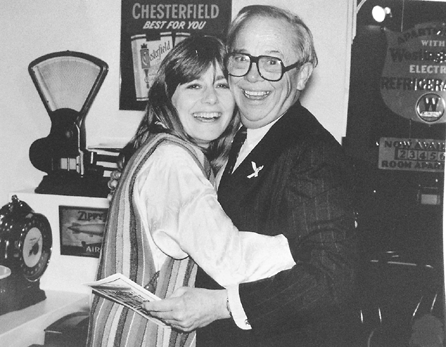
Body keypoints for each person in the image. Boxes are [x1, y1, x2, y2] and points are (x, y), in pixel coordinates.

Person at [144, 5, 359, 347]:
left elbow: (331, 277)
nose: (252, 76)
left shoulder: (311, 152)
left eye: (272, 62)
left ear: (302, 75)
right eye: (241, 58)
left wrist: (224, 304)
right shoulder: (230, 136)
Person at [87, 35, 296, 347]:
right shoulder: (175, 163)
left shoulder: (164, 149)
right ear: (169, 96)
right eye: (194, 85)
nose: (210, 99)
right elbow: (230, 261)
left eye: (222, 85)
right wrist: (298, 252)